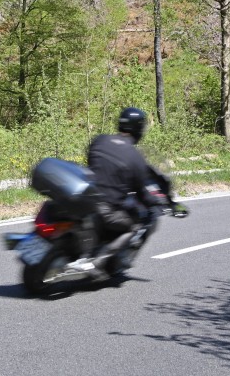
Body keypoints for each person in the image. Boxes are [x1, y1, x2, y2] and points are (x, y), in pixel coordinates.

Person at [65, 107, 167, 277]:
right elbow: (141, 192)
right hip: (105, 209)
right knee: (133, 227)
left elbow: (91, 162)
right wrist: (155, 201)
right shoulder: (135, 157)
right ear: (139, 129)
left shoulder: (100, 140)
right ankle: (97, 262)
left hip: (83, 197)